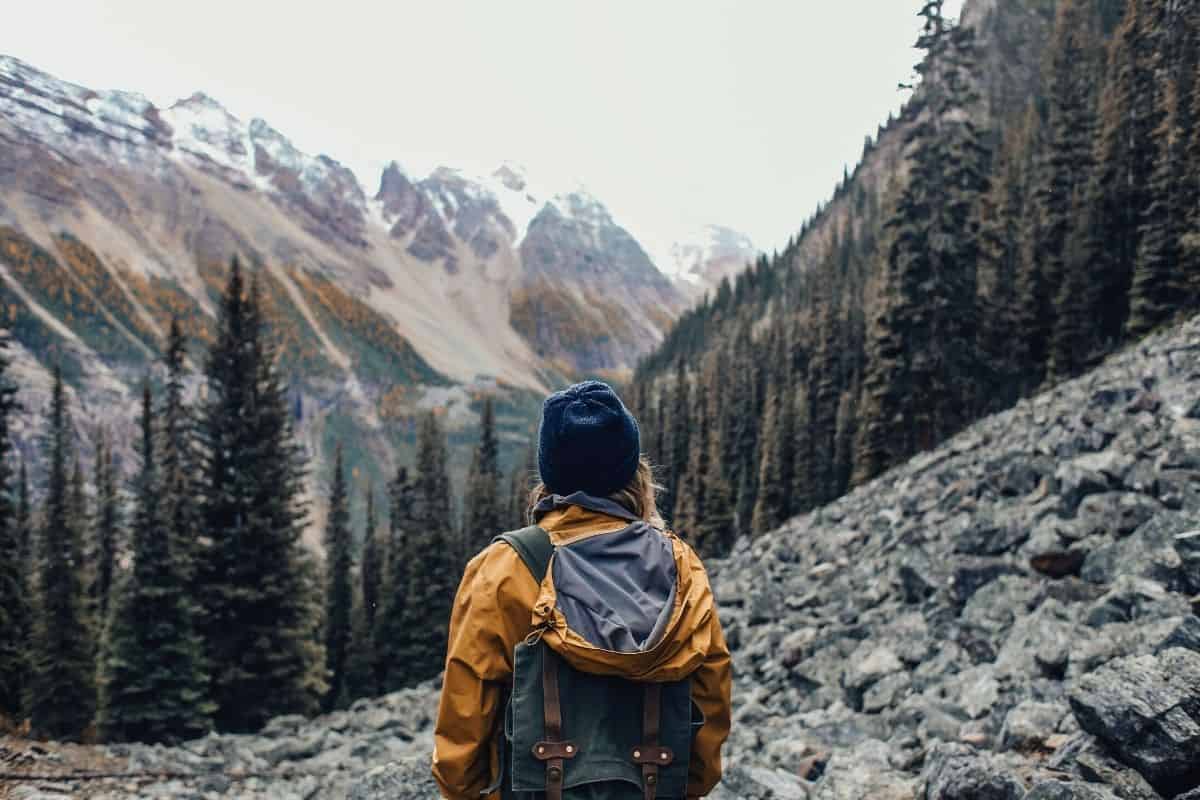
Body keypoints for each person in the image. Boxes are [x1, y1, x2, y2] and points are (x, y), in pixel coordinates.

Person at [432, 380, 732, 799]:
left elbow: (463, 737)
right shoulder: (682, 568)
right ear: (633, 473)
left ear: (549, 474)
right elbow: (709, 706)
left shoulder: (501, 570)